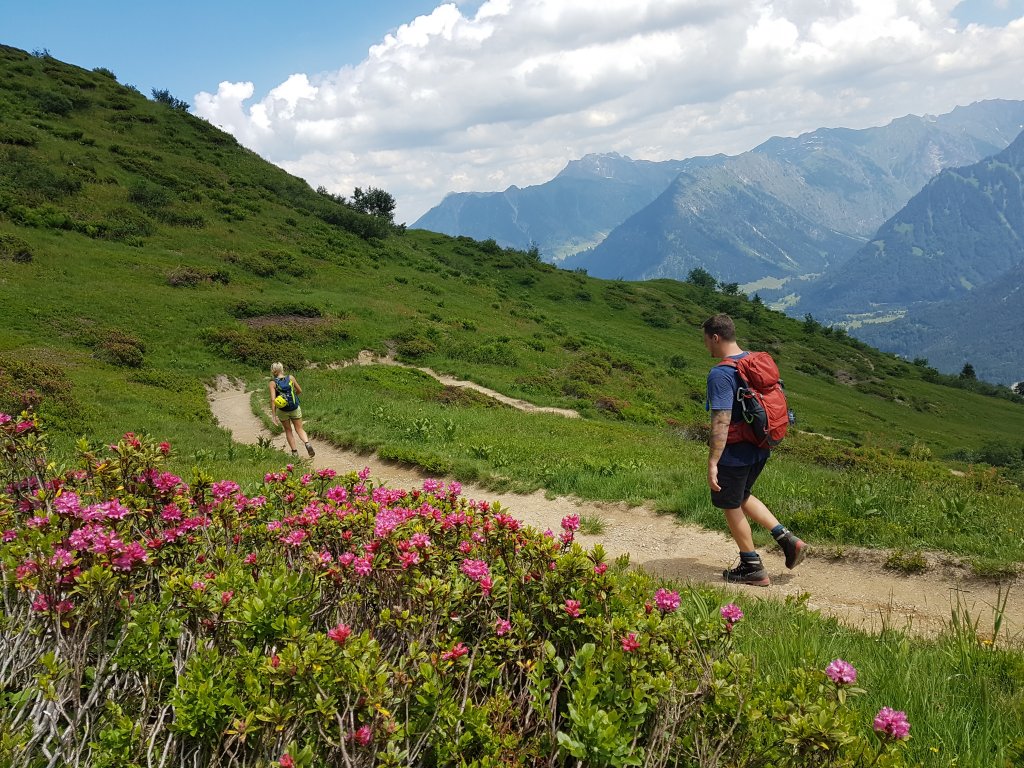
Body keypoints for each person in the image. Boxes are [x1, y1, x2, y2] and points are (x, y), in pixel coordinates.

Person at [702, 313, 806, 586]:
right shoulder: (752, 361)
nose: (706, 345)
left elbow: (721, 421)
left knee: (729, 503)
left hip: (735, 452)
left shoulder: (721, 374)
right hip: (761, 445)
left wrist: (713, 461)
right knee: (742, 494)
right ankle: (787, 539)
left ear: (716, 337)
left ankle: (752, 567)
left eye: (706, 340)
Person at [269, 362, 315, 459]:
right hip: (294, 407)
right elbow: (299, 390)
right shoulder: (290, 378)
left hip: (282, 410)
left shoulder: (272, 383)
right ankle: (307, 443)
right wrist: (294, 397)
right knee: (299, 429)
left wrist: (273, 415)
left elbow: (273, 400)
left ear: (273, 371)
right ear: (282, 369)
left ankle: (294, 452)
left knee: (288, 430)